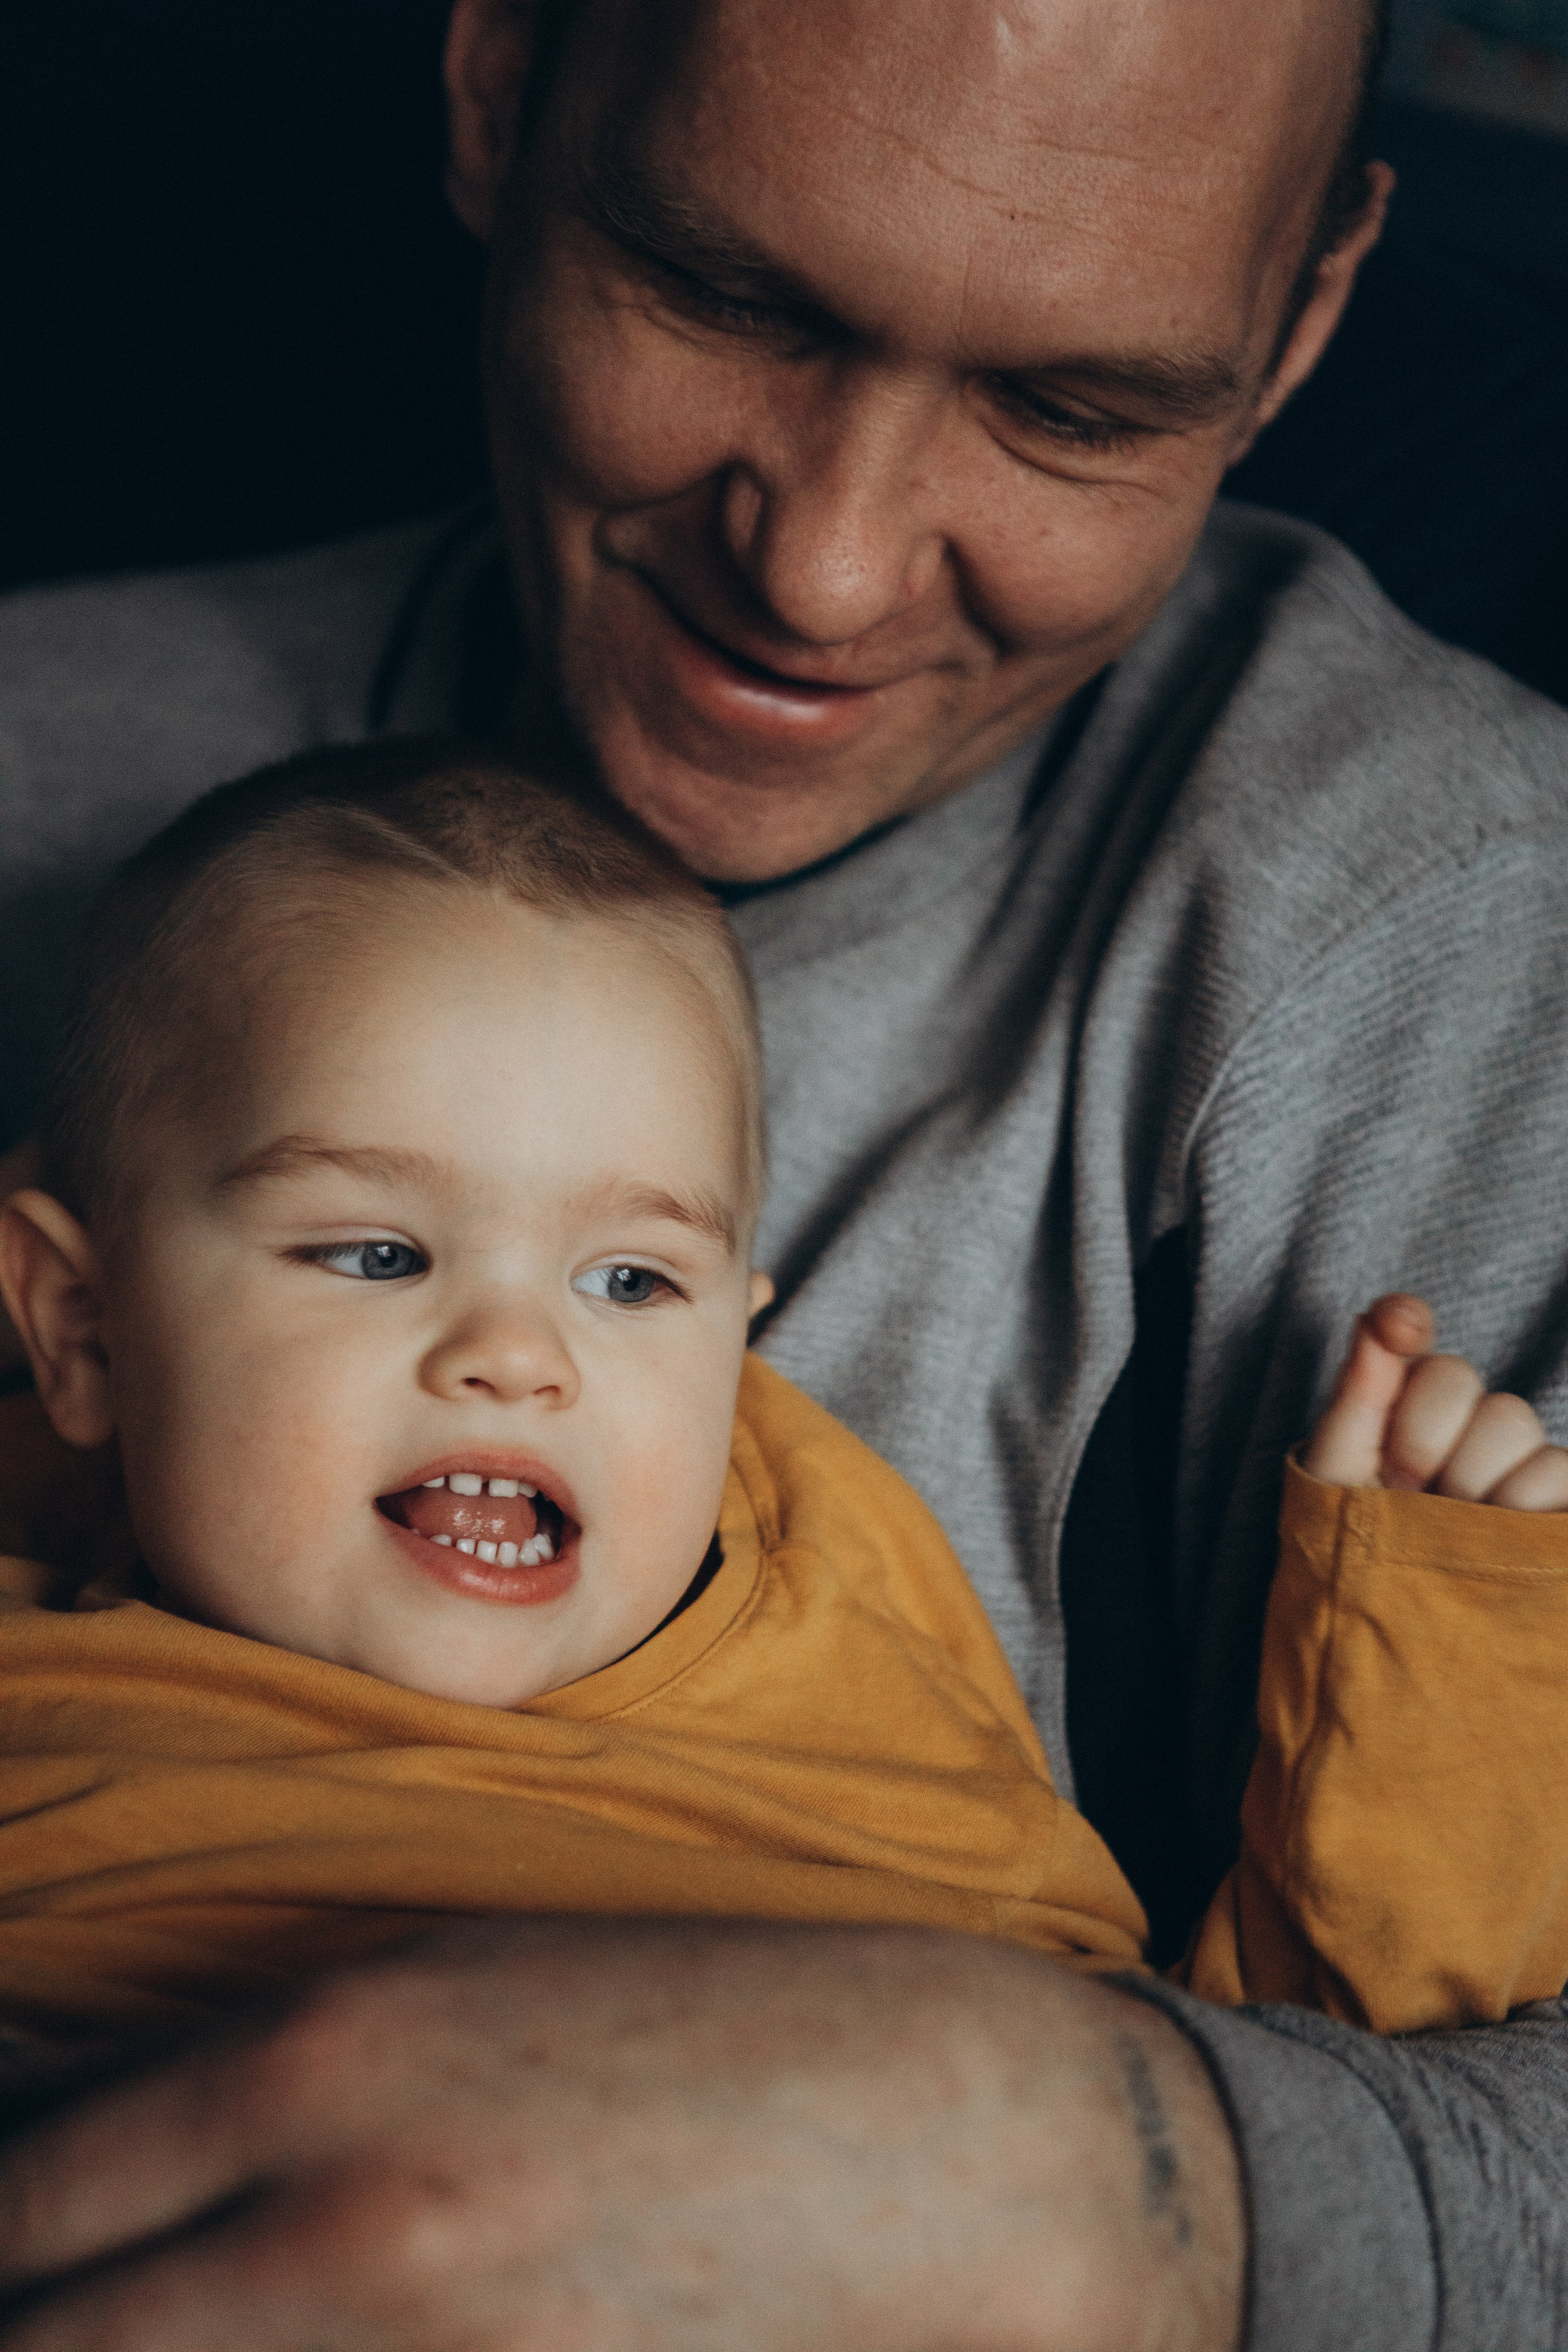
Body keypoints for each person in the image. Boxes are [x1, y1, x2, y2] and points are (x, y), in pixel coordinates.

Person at [1, 0, 1567, 2344]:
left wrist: (1122, 2178)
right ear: (499, 90)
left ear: (1307, 315)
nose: (821, 573)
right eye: (727, 297)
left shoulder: (1450, 929)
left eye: (1071, 409)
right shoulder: (44, 768)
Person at [1, 738, 1566, 2092]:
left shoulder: (840, 1660)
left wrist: (1433, 1682)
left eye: (628, 1282)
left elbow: (1272, 2127)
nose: (515, 1355)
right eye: (376, 1253)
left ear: (739, 1348)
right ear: (80, 1328)